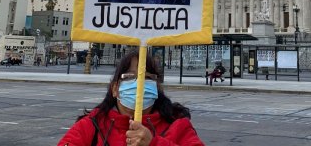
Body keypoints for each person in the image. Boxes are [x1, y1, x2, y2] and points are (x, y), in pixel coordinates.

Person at [58, 50, 204, 146]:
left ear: (157, 88)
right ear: (115, 89)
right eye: (130, 77)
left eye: (147, 77)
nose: (139, 83)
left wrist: (154, 143)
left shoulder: (177, 125)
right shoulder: (91, 125)